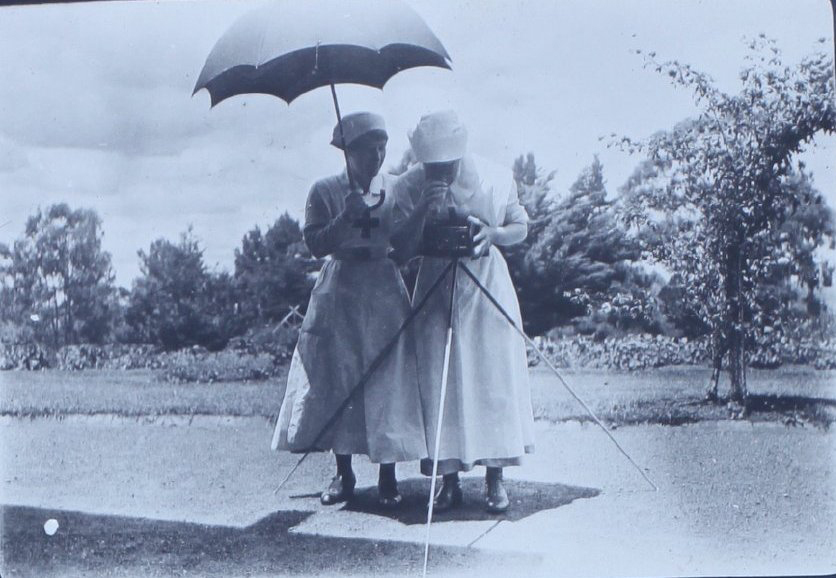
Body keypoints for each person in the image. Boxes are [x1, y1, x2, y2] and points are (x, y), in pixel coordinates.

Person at [272, 112, 426, 508]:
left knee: (387, 379)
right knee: (340, 378)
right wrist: (345, 218)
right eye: (368, 149)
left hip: (384, 289)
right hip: (340, 289)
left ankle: (388, 474)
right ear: (348, 152)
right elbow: (316, 244)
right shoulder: (323, 190)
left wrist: (421, 214)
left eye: (382, 148)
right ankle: (344, 473)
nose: (377, 156)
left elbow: (406, 245)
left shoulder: (395, 187)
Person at [391, 110, 535, 514]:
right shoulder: (409, 185)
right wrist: (422, 208)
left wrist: (493, 234)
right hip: (436, 287)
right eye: (432, 166)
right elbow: (399, 250)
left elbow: (520, 226)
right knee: (442, 382)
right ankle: (448, 480)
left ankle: (495, 478)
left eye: (447, 165)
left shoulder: (494, 175)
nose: (441, 172)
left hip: (484, 284)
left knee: (490, 379)